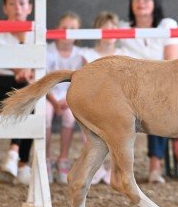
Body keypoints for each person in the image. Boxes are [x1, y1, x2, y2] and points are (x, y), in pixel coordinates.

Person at [119, 0, 178, 183]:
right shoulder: (121, 29)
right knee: (154, 102)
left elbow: (171, 64)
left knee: (158, 101)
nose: (140, 2)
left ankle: (156, 164)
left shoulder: (167, 25)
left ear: (155, 1)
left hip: (166, 82)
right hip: (134, 88)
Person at [0, 0, 35, 185]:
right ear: (5, 8)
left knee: (30, 98)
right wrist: (20, 43)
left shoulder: (35, 33)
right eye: (12, 4)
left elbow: (34, 69)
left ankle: (17, 158)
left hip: (24, 89)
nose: (17, 9)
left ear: (29, 7)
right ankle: (20, 159)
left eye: (21, 3)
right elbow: (9, 65)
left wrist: (25, 73)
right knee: (26, 95)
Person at [78, 11, 125, 185]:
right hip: (94, 103)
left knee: (120, 126)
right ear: (97, 31)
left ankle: (115, 167)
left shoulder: (123, 53)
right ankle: (95, 166)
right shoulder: (87, 54)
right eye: (105, 28)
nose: (110, 31)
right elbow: (85, 86)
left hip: (118, 105)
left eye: (114, 28)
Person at [45, 11, 85, 184]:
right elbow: (43, 80)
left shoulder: (80, 55)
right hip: (48, 96)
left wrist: (68, 101)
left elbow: (82, 81)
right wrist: (53, 101)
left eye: (72, 29)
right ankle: (45, 159)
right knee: (44, 115)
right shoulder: (47, 51)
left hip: (69, 98)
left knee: (69, 117)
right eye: (64, 27)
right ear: (56, 29)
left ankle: (63, 158)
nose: (67, 32)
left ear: (78, 34)